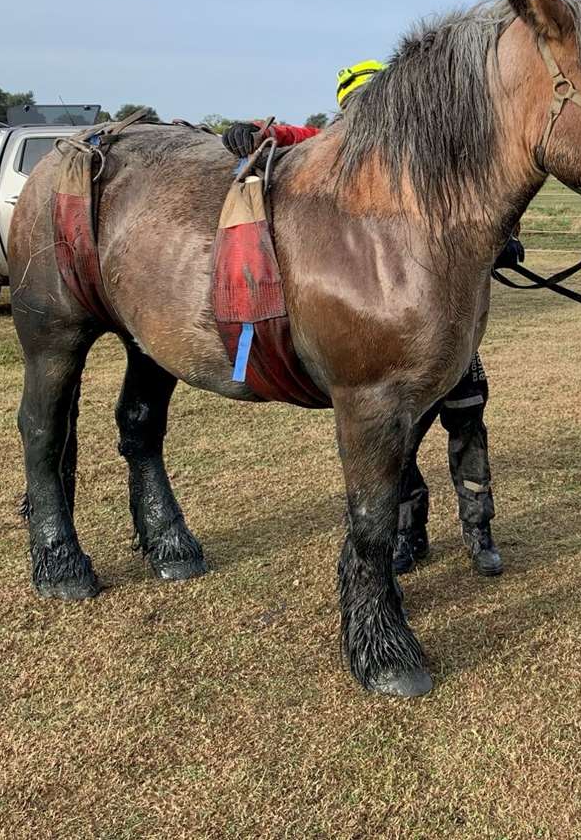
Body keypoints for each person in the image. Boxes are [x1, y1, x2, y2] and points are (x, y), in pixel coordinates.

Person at [221, 60, 521, 576]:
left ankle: (479, 532)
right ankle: (408, 535)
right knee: (395, 445)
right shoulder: (341, 158)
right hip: (393, 340)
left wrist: (500, 244)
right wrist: (261, 132)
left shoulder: (433, 164)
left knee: (468, 429)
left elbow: (482, 209)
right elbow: (302, 137)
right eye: (354, 108)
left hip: (448, 341)